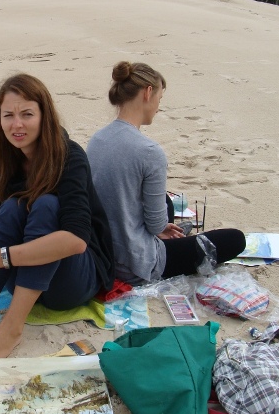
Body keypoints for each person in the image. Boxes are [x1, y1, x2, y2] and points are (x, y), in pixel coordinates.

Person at [0, 73, 114, 359]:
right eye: (8, 115)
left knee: (47, 205)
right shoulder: (12, 158)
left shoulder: (69, 156)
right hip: (27, 280)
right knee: (16, 206)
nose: (17, 124)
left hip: (75, 282)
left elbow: (76, 240)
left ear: (44, 116)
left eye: (27, 114)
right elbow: (3, 215)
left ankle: (10, 331)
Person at [86, 61, 245, 285]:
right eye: (159, 99)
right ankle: (169, 243)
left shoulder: (97, 139)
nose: (158, 107)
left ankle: (170, 236)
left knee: (167, 202)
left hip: (100, 250)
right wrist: (159, 228)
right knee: (235, 239)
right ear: (148, 92)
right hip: (133, 263)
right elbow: (154, 224)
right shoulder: (149, 151)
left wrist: (159, 227)